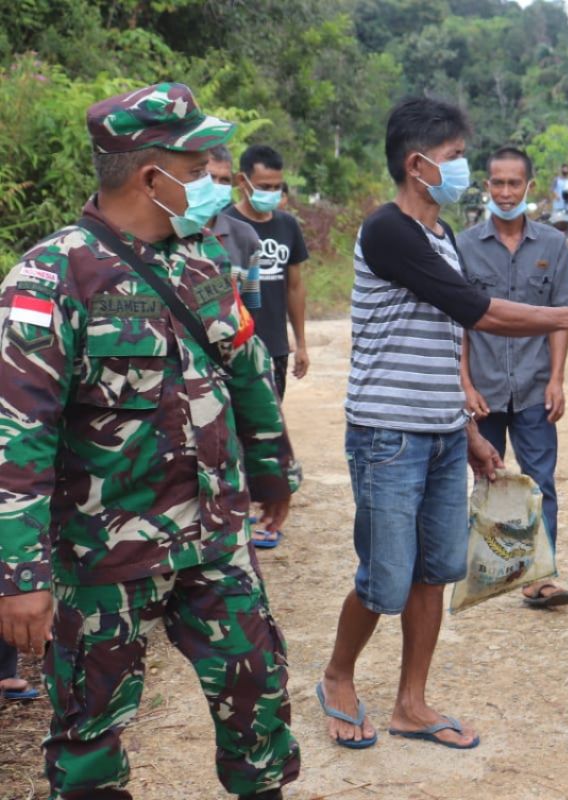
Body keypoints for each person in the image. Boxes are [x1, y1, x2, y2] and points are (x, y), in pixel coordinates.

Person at [0, 83, 300, 800]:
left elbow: (249, 375)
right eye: (197, 167)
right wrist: (22, 577)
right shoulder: (50, 278)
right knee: (89, 733)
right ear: (150, 176)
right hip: (103, 554)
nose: (209, 182)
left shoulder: (202, 265)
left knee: (258, 695)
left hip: (214, 537)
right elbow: (19, 437)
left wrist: (272, 474)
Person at [318, 96, 568, 751]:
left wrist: (467, 436)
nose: (465, 172)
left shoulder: (439, 238)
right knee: (384, 581)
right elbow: (473, 311)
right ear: (417, 164)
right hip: (388, 435)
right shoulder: (388, 232)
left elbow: (440, 343)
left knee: (435, 573)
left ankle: (412, 702)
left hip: (438, 432)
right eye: (457, 159)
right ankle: (338, 676)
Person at [459, 147, 568, 608]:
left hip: (533, 386)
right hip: (484, 388)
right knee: (487, 476)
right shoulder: (464, 245)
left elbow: (560, 317)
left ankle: (540, 576)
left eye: (514, 183)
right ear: (486, 185)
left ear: (530, 187)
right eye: (497, 183)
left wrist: (557, 380)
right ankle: (493, 567)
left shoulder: (552, 245)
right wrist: (464, 384)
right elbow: (459, 323)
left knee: (540, 481)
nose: (505, 192)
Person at [224, 145, 309, 401]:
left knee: (270, 426)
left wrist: (301, 344)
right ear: (242, 181)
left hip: (275, 347)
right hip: (233, 347)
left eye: (276, 188)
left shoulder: (288, 225)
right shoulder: (223, 224)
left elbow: (294, 287)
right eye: (264, 187)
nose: (271, 194)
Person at [207, 145, 263, 310]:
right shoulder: (167, 232)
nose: (216, 185)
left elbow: (251, 306)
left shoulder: (245, 237)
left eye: (224, 180)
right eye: (210, 177)